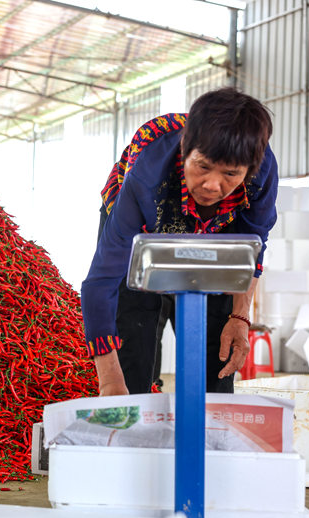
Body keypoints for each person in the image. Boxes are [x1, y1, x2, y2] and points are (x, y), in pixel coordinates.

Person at [81, 87, 277, 397]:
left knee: (218, 348)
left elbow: (251, 249)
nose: (213, 185)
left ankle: (208, 433)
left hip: (217, 229)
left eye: (230, 173)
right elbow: (101, 282)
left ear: (249, 169)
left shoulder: (260, 175)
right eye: (202, 166)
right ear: (186, 147)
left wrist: (240, 317)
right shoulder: (146, 178)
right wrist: (110, 380)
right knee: (135, 321)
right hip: (147, 222)